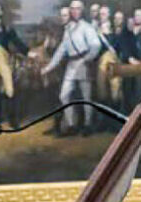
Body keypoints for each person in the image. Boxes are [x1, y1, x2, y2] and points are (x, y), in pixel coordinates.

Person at [42, 0, 102, 136]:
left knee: (86, 97)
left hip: (84, 64)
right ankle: (71, 125)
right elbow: (60, 51)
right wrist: (48, 68)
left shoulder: (87, 27)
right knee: (64, 96)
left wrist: (87, 59)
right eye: (72, 9)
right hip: (71, 65)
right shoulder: (67, 30)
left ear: (81, 11)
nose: (74, 11)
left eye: (77, 9)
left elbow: (96, 45)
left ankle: (87, 125)